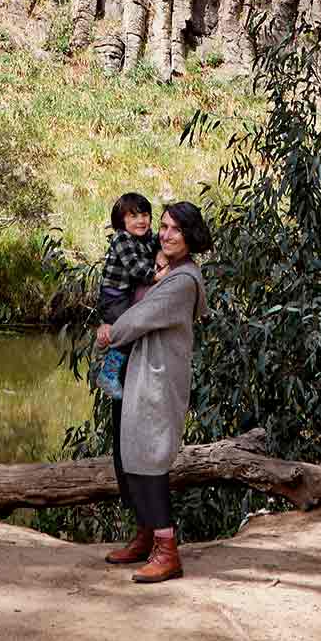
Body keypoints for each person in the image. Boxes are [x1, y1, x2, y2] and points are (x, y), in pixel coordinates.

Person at [94, 200, 211, 584]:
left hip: (158, 379)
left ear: (191, 235)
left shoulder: (182, 281)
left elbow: (138, 318)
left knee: (150, 458)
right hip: (140, 373)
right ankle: (146, 534)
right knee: (130, 455)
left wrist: (112, 331)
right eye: (163, 226)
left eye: (175, 228)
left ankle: (167, 549)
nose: (166, 234)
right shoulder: (166, 269)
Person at [93, 193, 160, 399]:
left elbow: (153, 245)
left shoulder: (145, 238)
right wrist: (158, 275)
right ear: (122, 221)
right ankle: (108, 372)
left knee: (127, 329)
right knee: (129, 330)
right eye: (133, 216)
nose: (141, 220)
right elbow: (135, 268)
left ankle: (104, 346)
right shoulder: (121, 238)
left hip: (125, 295)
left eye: (145, 215)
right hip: (114, 298)